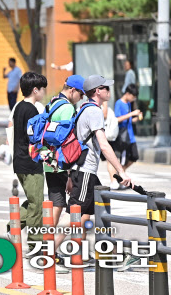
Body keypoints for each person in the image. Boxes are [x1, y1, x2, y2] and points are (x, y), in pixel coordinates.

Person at [70, 75, 134, 235]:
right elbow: (104, 145)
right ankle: (52, 250)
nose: (109, 91)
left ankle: (90, 252)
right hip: (85, 170)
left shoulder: (83, 108)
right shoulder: (93, 111)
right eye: (106, 88)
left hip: (84, 170)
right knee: (75, 214)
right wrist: (121, 171)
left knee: (95, 209)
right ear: (98, 91)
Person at [42, 76, 85, 274]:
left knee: (55, 204)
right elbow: (67, 140)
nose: (80, 97)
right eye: (80, 94)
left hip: (48, 161)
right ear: (73, 90)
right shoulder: (67, 108)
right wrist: (69, 172)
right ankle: (48, 252)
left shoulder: (53, 101)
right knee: (58, 206)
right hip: (59, 163)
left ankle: (47, 250)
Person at [10, 73, 47, 249]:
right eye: (42, 89)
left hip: (19, 161)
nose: (44, 92)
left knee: (33, 201)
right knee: (37, 204)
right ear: (35, 90)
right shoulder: (31, 110)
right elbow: (34, 137)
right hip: (31, 162)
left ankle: (13, 226)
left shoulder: (18, 107)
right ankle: (36, 243)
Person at [107, 84, 142, 190]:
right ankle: (116, 180)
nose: (133, 99)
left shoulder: (128, 104)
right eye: (133, 96)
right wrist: (132, 114)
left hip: (130, 136)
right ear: (127, 93)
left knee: (134, 156)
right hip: (121, 136)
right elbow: (117, 119)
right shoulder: (119, 103)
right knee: (118, 159)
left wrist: (136, 117)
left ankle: (120, 176)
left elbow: (129, 120)